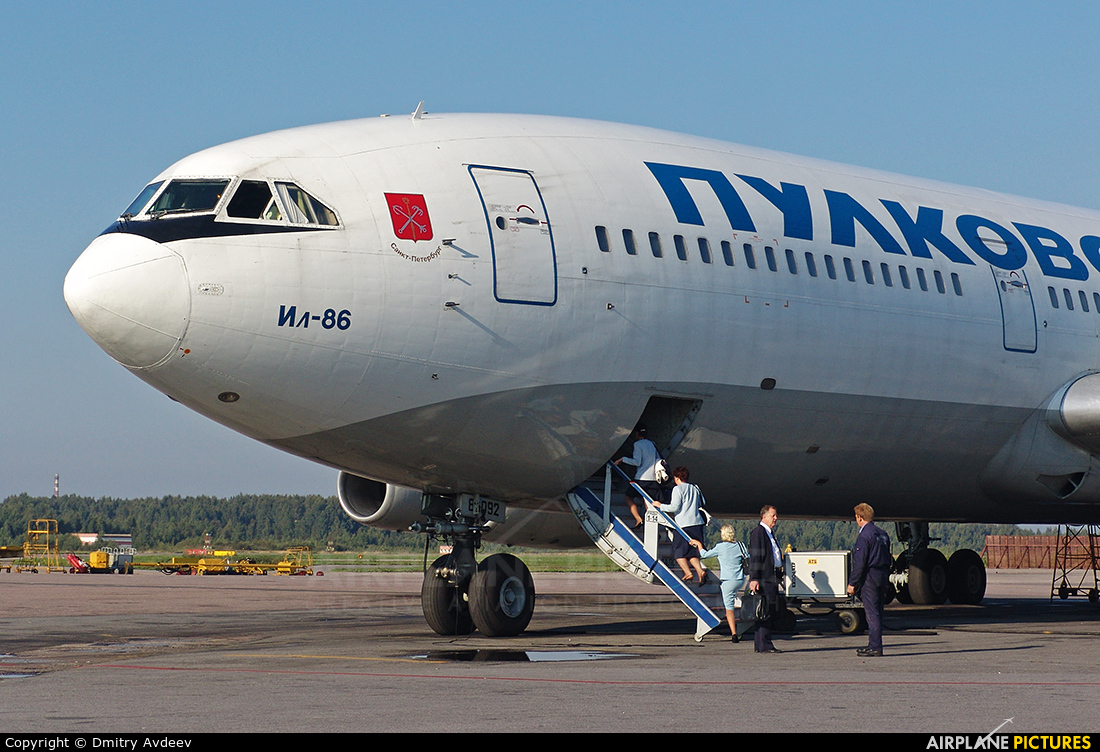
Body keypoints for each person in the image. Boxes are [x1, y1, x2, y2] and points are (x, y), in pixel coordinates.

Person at [846, 503, 892, 657]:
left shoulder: (865, 536)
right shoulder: (882, 534)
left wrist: (852, 583)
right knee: (878, 611)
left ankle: (875, 646)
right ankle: (873, 644)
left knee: (871, 613)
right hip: (882, 574)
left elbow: (860, 562)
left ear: (860, 518)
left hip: (870, 576)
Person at [690, 524, 748, 641]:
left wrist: (699, 545)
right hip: (740, 579)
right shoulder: (740, 545)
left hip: (728, 581)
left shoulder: (720, 547)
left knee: (729, 607)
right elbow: (747, 557)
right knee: (734, 599)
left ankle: (734, 634)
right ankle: (744, 620)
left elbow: (705, 555)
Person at [652, 466, 707, 583]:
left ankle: (688, 573)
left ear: (677, 477)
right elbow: (702, 502)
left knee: (678, 552)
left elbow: (674, 507)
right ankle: (700, 571)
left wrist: (659, 505)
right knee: (692, 551)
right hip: (697, 523)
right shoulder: (695, 487)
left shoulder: (678, 489)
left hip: (684, 524)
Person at [747, 505, 784, 653]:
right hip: (764, 578)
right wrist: (754, 578)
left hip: (771, 577)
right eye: (773, 516)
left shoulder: (769, 533)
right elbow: (756, 556)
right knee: (764, 611)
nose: (776, 518)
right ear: (764, 516)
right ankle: (765, 644)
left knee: (765, 610)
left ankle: (760, 644)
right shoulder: (759, 533)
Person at [614, 424, 660, 529]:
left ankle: (639, 519)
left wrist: (623, 459)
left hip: (641, 478)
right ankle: (652, 526)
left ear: (637, 434)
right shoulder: (652, 444)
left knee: (628, 496)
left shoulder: (638, 444)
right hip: (653, 479)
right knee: (648, 501)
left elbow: (637, 462)